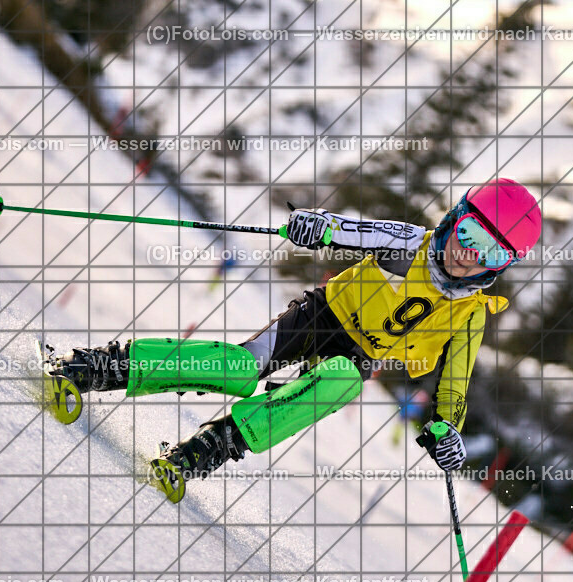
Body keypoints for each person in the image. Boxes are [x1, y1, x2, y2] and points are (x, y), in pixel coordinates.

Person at [44, 179, 543, 502]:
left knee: (339, 383)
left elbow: (454, 382)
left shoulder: (471, 313)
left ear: (501, 267)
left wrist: (446, 431)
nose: (467, 256)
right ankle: (99, 367)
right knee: (237, 368)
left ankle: (208, 448)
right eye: (470, 233)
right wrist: (316, 227)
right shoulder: (409, 242)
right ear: (456, 217)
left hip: (357, 356)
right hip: (320, 316)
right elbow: (354, 230)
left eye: (489, 254)